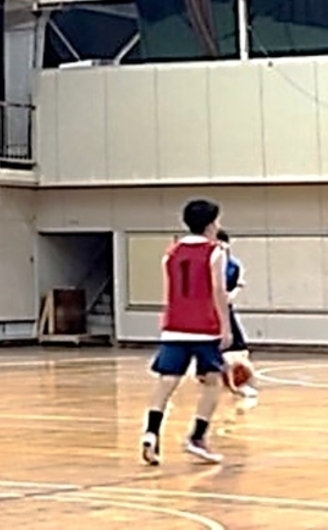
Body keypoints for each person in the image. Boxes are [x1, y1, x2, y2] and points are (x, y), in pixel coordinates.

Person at [141, 198, 230, 467]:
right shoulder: (215, 252)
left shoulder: (171, 252)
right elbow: (218, 291)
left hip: (174, 326)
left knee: (166, 382)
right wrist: (225, 327)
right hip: (204, 327)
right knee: (213, 381)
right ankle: (197, 437)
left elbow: (171, 291)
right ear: (210, 224)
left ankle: (151, 432)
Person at [216, 228, 257, 404]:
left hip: (227, 309)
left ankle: (246, 384)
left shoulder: (234, 265)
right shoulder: (208, 265)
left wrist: (231, 295)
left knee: (241, 351)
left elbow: (239, 284)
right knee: (222, 354)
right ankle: (231, 385)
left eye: (221, 243)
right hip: (211, 312)